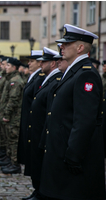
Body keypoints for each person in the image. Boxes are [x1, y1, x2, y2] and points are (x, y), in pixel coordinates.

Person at [40, 24, 105, 200]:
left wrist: (73, 156)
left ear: (80, 48)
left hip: (72, 157)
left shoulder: (85, 74)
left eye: (67, 43)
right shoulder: (73, 72)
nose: (61, 46)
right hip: (61, 151)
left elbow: (84, 120)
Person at [23, 47, 63, 200]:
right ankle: (37, 190)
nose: (40, 64)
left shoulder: (55, 80)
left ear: (52, 63)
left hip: (42, 129)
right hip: (37, 128)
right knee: (36, 162)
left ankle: (40, 192)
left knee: (40, 163)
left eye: (43, 61)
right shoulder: (47, 78)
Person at [17, 50, 45, 176]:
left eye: (32, 61)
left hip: (32, 122)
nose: (28, 63)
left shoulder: (40, 78)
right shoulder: (34, 76)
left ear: (40, 63)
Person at [0, 57, 24, 174]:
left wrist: (7, 114)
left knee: (13, 140)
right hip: (10, 115)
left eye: (8, 66)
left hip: (14, 116)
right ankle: (10, 160)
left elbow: (13, 100)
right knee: (9, 139)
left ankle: (15, 164)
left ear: (14, 68)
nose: (6, 67)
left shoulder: (16, 81)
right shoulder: (11, 79)